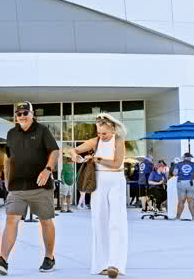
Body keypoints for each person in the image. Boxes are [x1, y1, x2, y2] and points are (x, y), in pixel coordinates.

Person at [0, 102, 59, 276]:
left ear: (32, 114)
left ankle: (49, 257)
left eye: (25, 113)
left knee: (45, 221)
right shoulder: (11, 133)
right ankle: (2, 261)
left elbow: (54, 151)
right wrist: (7, 181)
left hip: (40, 186)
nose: (22, 116)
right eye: (18, 114)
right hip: (17, 187)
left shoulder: (42, 131)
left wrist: (48, 170)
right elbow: (8, 159)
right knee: (11, 220)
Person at [66, 114, 128, 278]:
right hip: (99, 182)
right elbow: (74, 149)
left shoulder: (119, 141)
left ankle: (115, 263)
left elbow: (116, 163)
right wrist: (74, 155)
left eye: (104, 133)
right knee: (98, 221)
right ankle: (101, 264)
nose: (101, 136)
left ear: (113, 129)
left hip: (116, 181)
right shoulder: (96, 141)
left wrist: (96, 158)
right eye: (99, 133)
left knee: (117, 221)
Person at [174, 151, 194, 220]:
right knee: (191, 201)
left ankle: (177, 217)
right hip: (191, 183)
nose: (191, 159)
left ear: (183, 157)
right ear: (189, 158)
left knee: (181, 201)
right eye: (190, 158)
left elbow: (175, 174)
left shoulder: (178, 164)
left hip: (181, 183)